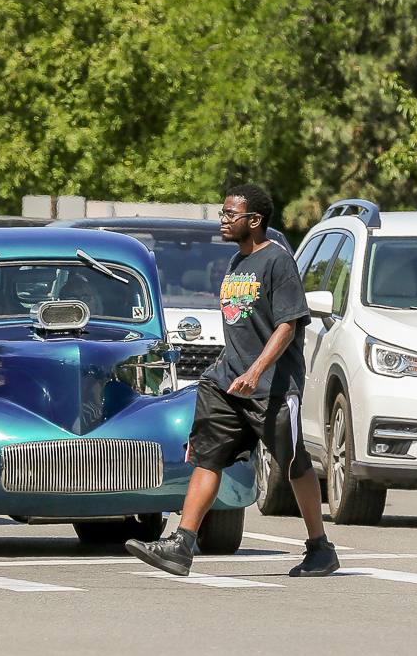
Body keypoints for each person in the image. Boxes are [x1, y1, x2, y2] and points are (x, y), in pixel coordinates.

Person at [126, 184, 340, 578]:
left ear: (254, 220)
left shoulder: (278, 261)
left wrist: (255, 371)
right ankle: (182, 545)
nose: (223, 220)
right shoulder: (237, 262)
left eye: (230, 214)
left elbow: (288, 326)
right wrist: (228, 366)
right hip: (227, 383)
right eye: (222, 213)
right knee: (207, 457)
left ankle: (320, 548)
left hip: (272, 387)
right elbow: (241, 325)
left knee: (294, 462)